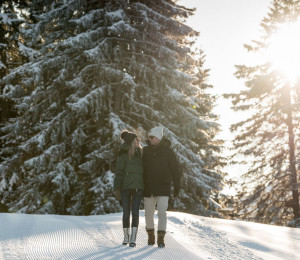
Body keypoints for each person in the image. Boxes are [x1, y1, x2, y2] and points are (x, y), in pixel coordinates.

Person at [142, 126, 180, 248]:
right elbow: (139, 168)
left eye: (152, 137)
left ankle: (161, 238)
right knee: (148, 213)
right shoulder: (145, 151)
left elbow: (175, 170)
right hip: (148, 187)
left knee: (162, 213)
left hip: (163, 187)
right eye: (149, 137)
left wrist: (177, 185)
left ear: (158, 138)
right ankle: (151, 235)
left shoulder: (168, 152)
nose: (150, 139)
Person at [114, 130, 143, 247]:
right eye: (136, 139)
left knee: (135, 213)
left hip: (138, 188)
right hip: (125, 188)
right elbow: (119, 172)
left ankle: (133, 238)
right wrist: (117, 188)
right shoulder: (123, 155)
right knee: (126, 213)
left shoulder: (142, 154)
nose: (139, 141)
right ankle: (126, 237)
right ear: (131, 142)